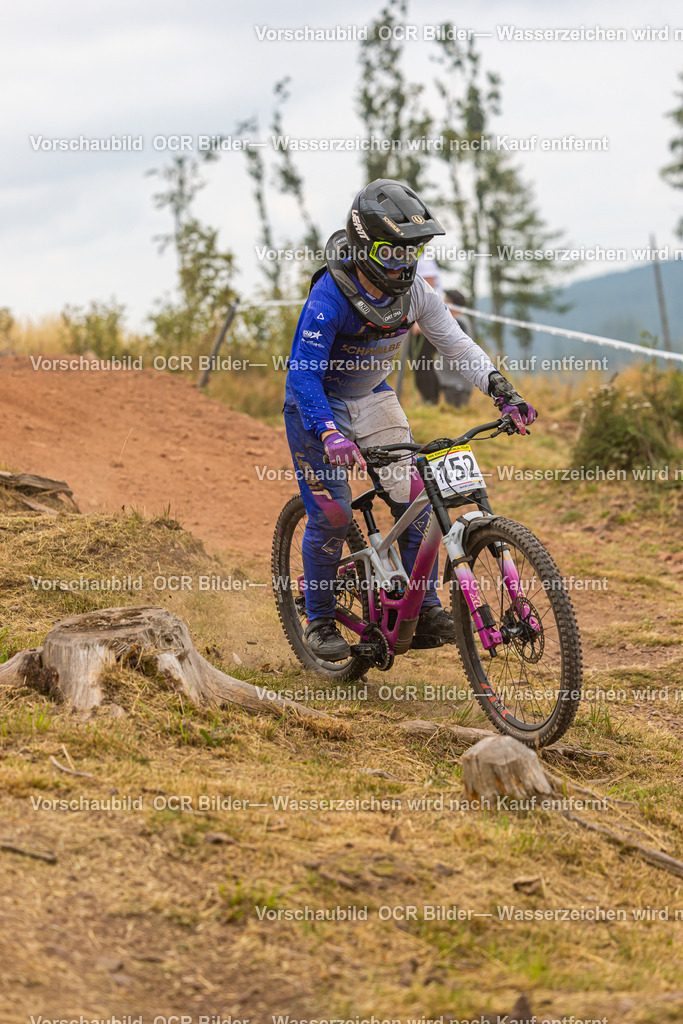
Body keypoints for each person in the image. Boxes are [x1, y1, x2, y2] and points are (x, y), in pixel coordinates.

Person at [283, 179, 536, 662]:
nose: (403, 263)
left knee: (419, 500)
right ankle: (318, 620)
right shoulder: (330, 297)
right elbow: (303, 374)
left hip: (372, 396)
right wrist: (328, 431)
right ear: (364, 248)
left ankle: (424, 610)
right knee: (333, 514)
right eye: (391, 252)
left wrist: (500, 389)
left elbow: (456, 344)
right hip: (316, 405)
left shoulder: (417, 293)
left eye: (411, 251)